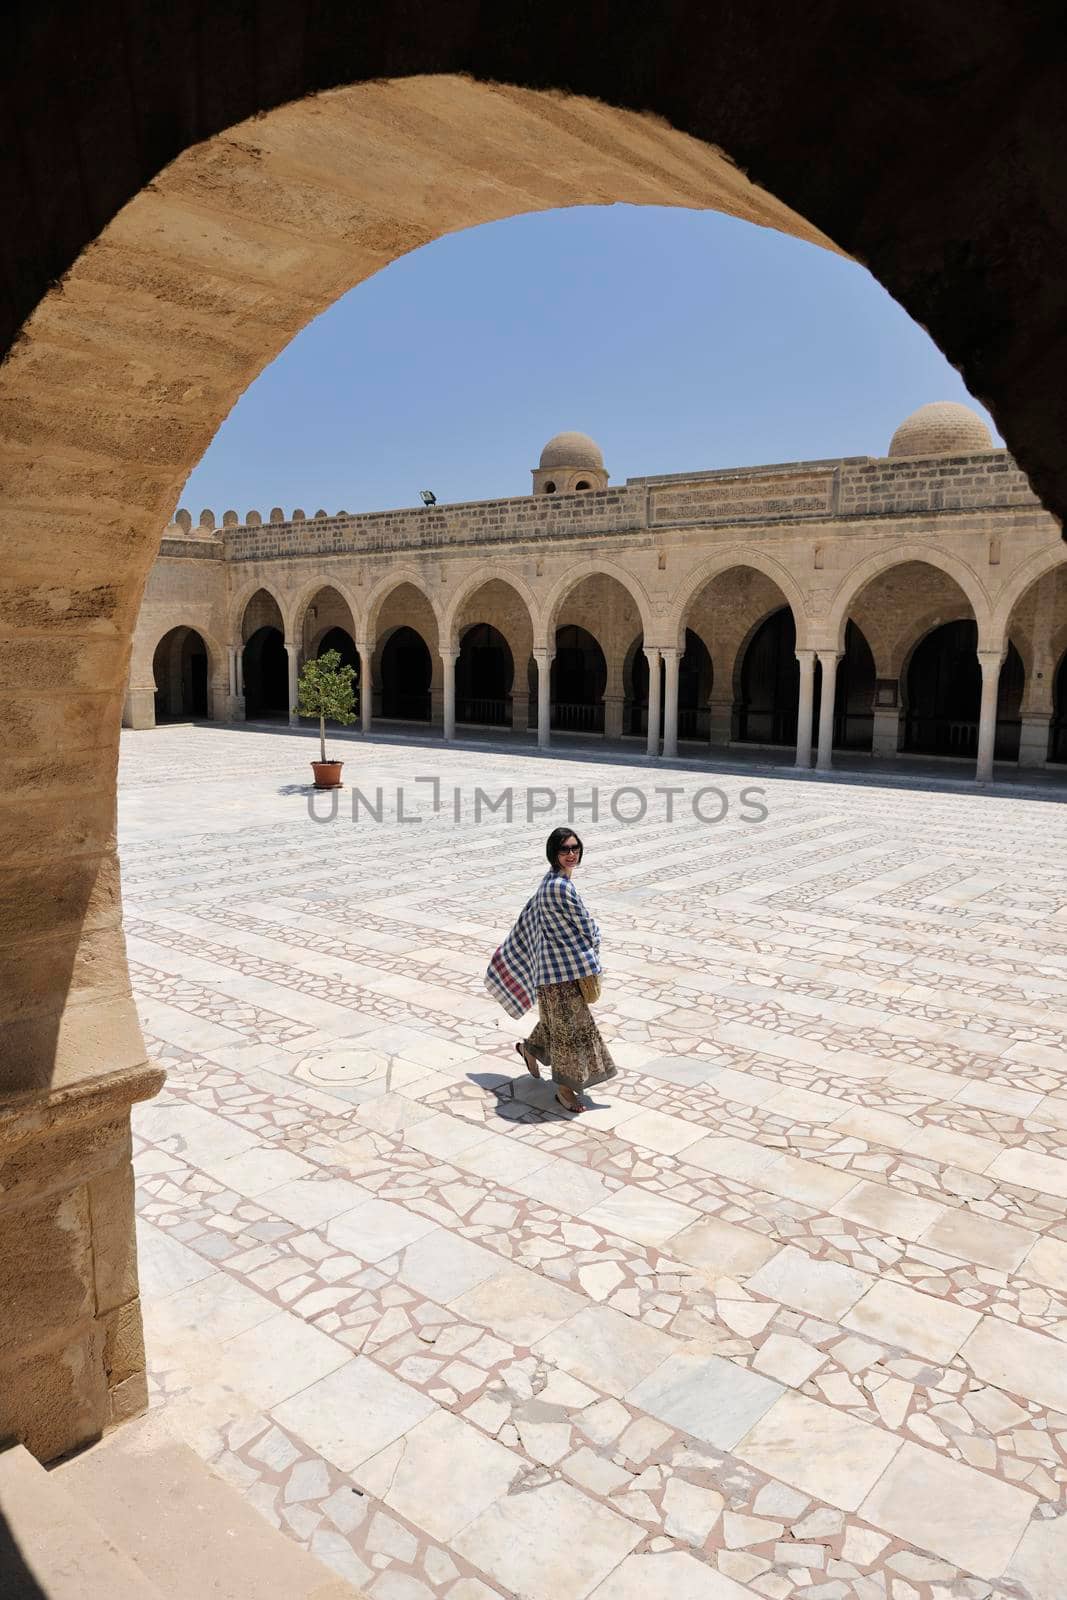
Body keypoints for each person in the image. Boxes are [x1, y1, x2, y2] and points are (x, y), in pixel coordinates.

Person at [485, 826, 617, 1113]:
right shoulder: (558, 887)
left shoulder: (553, 881)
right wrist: (595, 943)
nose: (571, 854)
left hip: (554, 973)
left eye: (574, 848)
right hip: (560, 977)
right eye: (564, 849)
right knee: (570, 1033)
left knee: (556, 1025)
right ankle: (565, 1091)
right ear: (553, 854)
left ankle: (529, 1050)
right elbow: (585, 926)